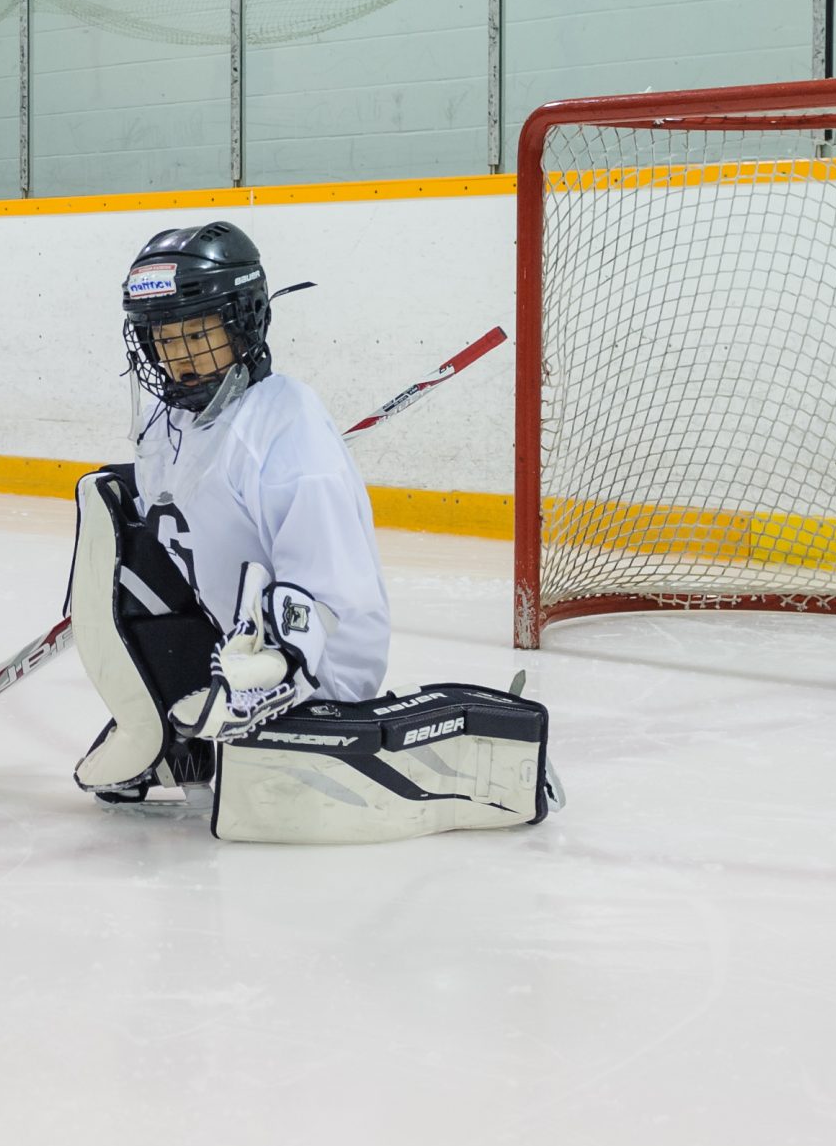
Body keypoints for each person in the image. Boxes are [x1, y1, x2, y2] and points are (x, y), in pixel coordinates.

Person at [67, 222, 559, 844]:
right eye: (165, 337)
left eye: (198, 332)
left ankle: (259, 694)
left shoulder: (286, 426)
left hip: (313, 666)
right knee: (111, 513)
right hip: (227, 643)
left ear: (241, 323)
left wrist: (280, 662)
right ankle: (164, 730)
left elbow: (332, 585)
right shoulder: (165, 424)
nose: (181, 355)